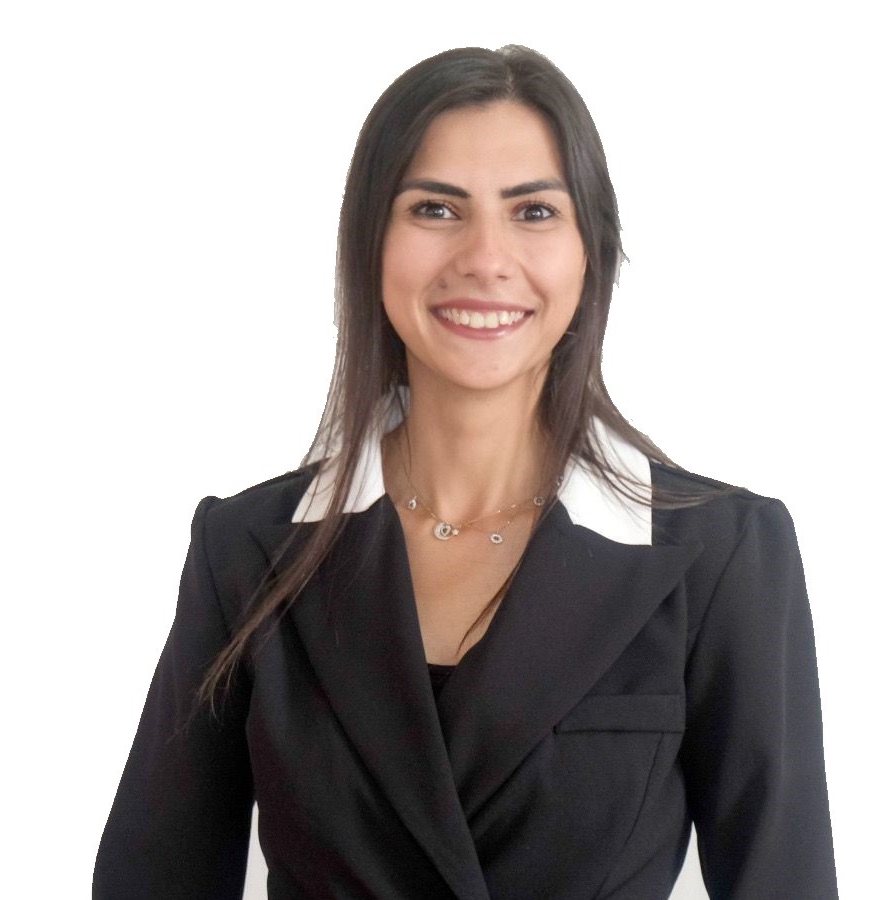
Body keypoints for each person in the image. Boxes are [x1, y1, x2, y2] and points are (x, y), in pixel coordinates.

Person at [93, 45, 837, 899]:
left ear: (590, 251)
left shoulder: (722, 554)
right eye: (436, 209)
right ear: (370, 243)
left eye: (534, 212)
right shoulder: (248, 548)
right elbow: (155, 879)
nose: (486, 257)